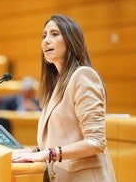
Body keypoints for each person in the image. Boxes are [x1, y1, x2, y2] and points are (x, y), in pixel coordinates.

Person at [12, 14, 116, 182]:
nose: (46, 40)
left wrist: (49, 154)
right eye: (44, 35)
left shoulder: (83, 75)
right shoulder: (56, 86)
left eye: (54, 34)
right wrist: (32, 152)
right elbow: (61, 139)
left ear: (71, 40)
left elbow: (96, 142)